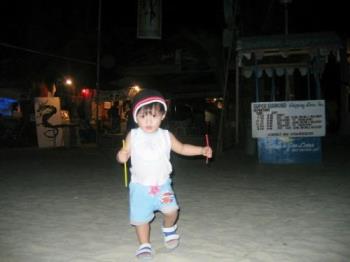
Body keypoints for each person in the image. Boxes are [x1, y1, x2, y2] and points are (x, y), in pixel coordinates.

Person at [116, 89, 212, 260]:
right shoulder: (134, 135)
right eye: (143, 116)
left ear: (162, 116)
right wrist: (122, 155)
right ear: (136, 118)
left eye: (153, 115)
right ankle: (144, 244)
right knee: (141, 220)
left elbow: (182, 148)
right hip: (140, 187)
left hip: (162, 185)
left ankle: (168, 229)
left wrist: (201, 150)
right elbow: (124, 151)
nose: (148, 121)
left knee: (172, 211)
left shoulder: (166, 136)